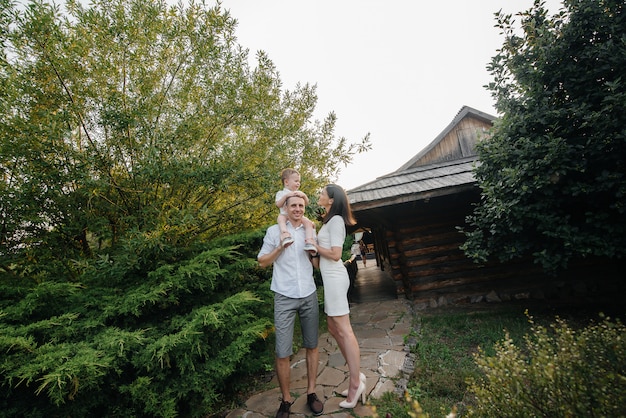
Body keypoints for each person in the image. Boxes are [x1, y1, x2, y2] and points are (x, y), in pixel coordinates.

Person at [257, 194, 324, 418]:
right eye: (293, 205)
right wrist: (279, 249)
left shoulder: (309, 230)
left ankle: (311, 392)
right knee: (282, 352)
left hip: (308, 293)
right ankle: (286, 401)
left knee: (312, 345)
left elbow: (315, 265)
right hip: (284, 295)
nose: (297, 209)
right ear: (285, 208)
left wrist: (313, 253)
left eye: (301, 206)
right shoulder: (274, 231)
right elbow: (262, 261)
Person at [312, 184, 367, 409]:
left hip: (335, 279)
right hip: (330, 279)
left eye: (322, 193)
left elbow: (335, 255)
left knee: (344, 330)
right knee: (334, 329)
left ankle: (355, 383)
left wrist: (313, 244)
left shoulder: (335, 221)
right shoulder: (328, 221)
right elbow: (320, 262)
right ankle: (358, 376)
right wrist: (312, 252)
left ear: (332, 200)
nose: (319, 195)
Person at [275, 168, 317, 251]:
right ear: (286, 182)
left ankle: (309, 241)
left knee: (308, 223)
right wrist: (286, 196)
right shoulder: (281, 193)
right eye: (296, 181)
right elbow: (278, 204)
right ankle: (285, 235)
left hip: (297, 217)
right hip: (285, 215)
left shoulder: (299, 193)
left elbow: (307, 203)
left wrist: (304, 196)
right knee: (280, 219)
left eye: (299, 182)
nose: (298, 183)